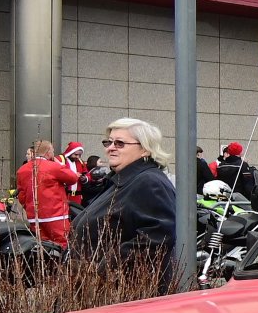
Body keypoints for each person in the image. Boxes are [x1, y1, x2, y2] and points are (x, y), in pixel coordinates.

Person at [71, 119, 177, 286]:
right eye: (109, 142)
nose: (110, 148)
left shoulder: (149, 182)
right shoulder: (122, 180)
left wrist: (103, 269)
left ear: (144, 149)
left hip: (122, 294)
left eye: (120, 143)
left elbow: (157, 237)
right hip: (101, 289)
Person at [17, 140, 79, 247]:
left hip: (34, 216)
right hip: (55, 215)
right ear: (48, 152)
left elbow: (21, 195)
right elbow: (73, 178)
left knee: (42, 247)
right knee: (62, 245)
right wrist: (58, 163)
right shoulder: (53, 166)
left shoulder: (22, 170)